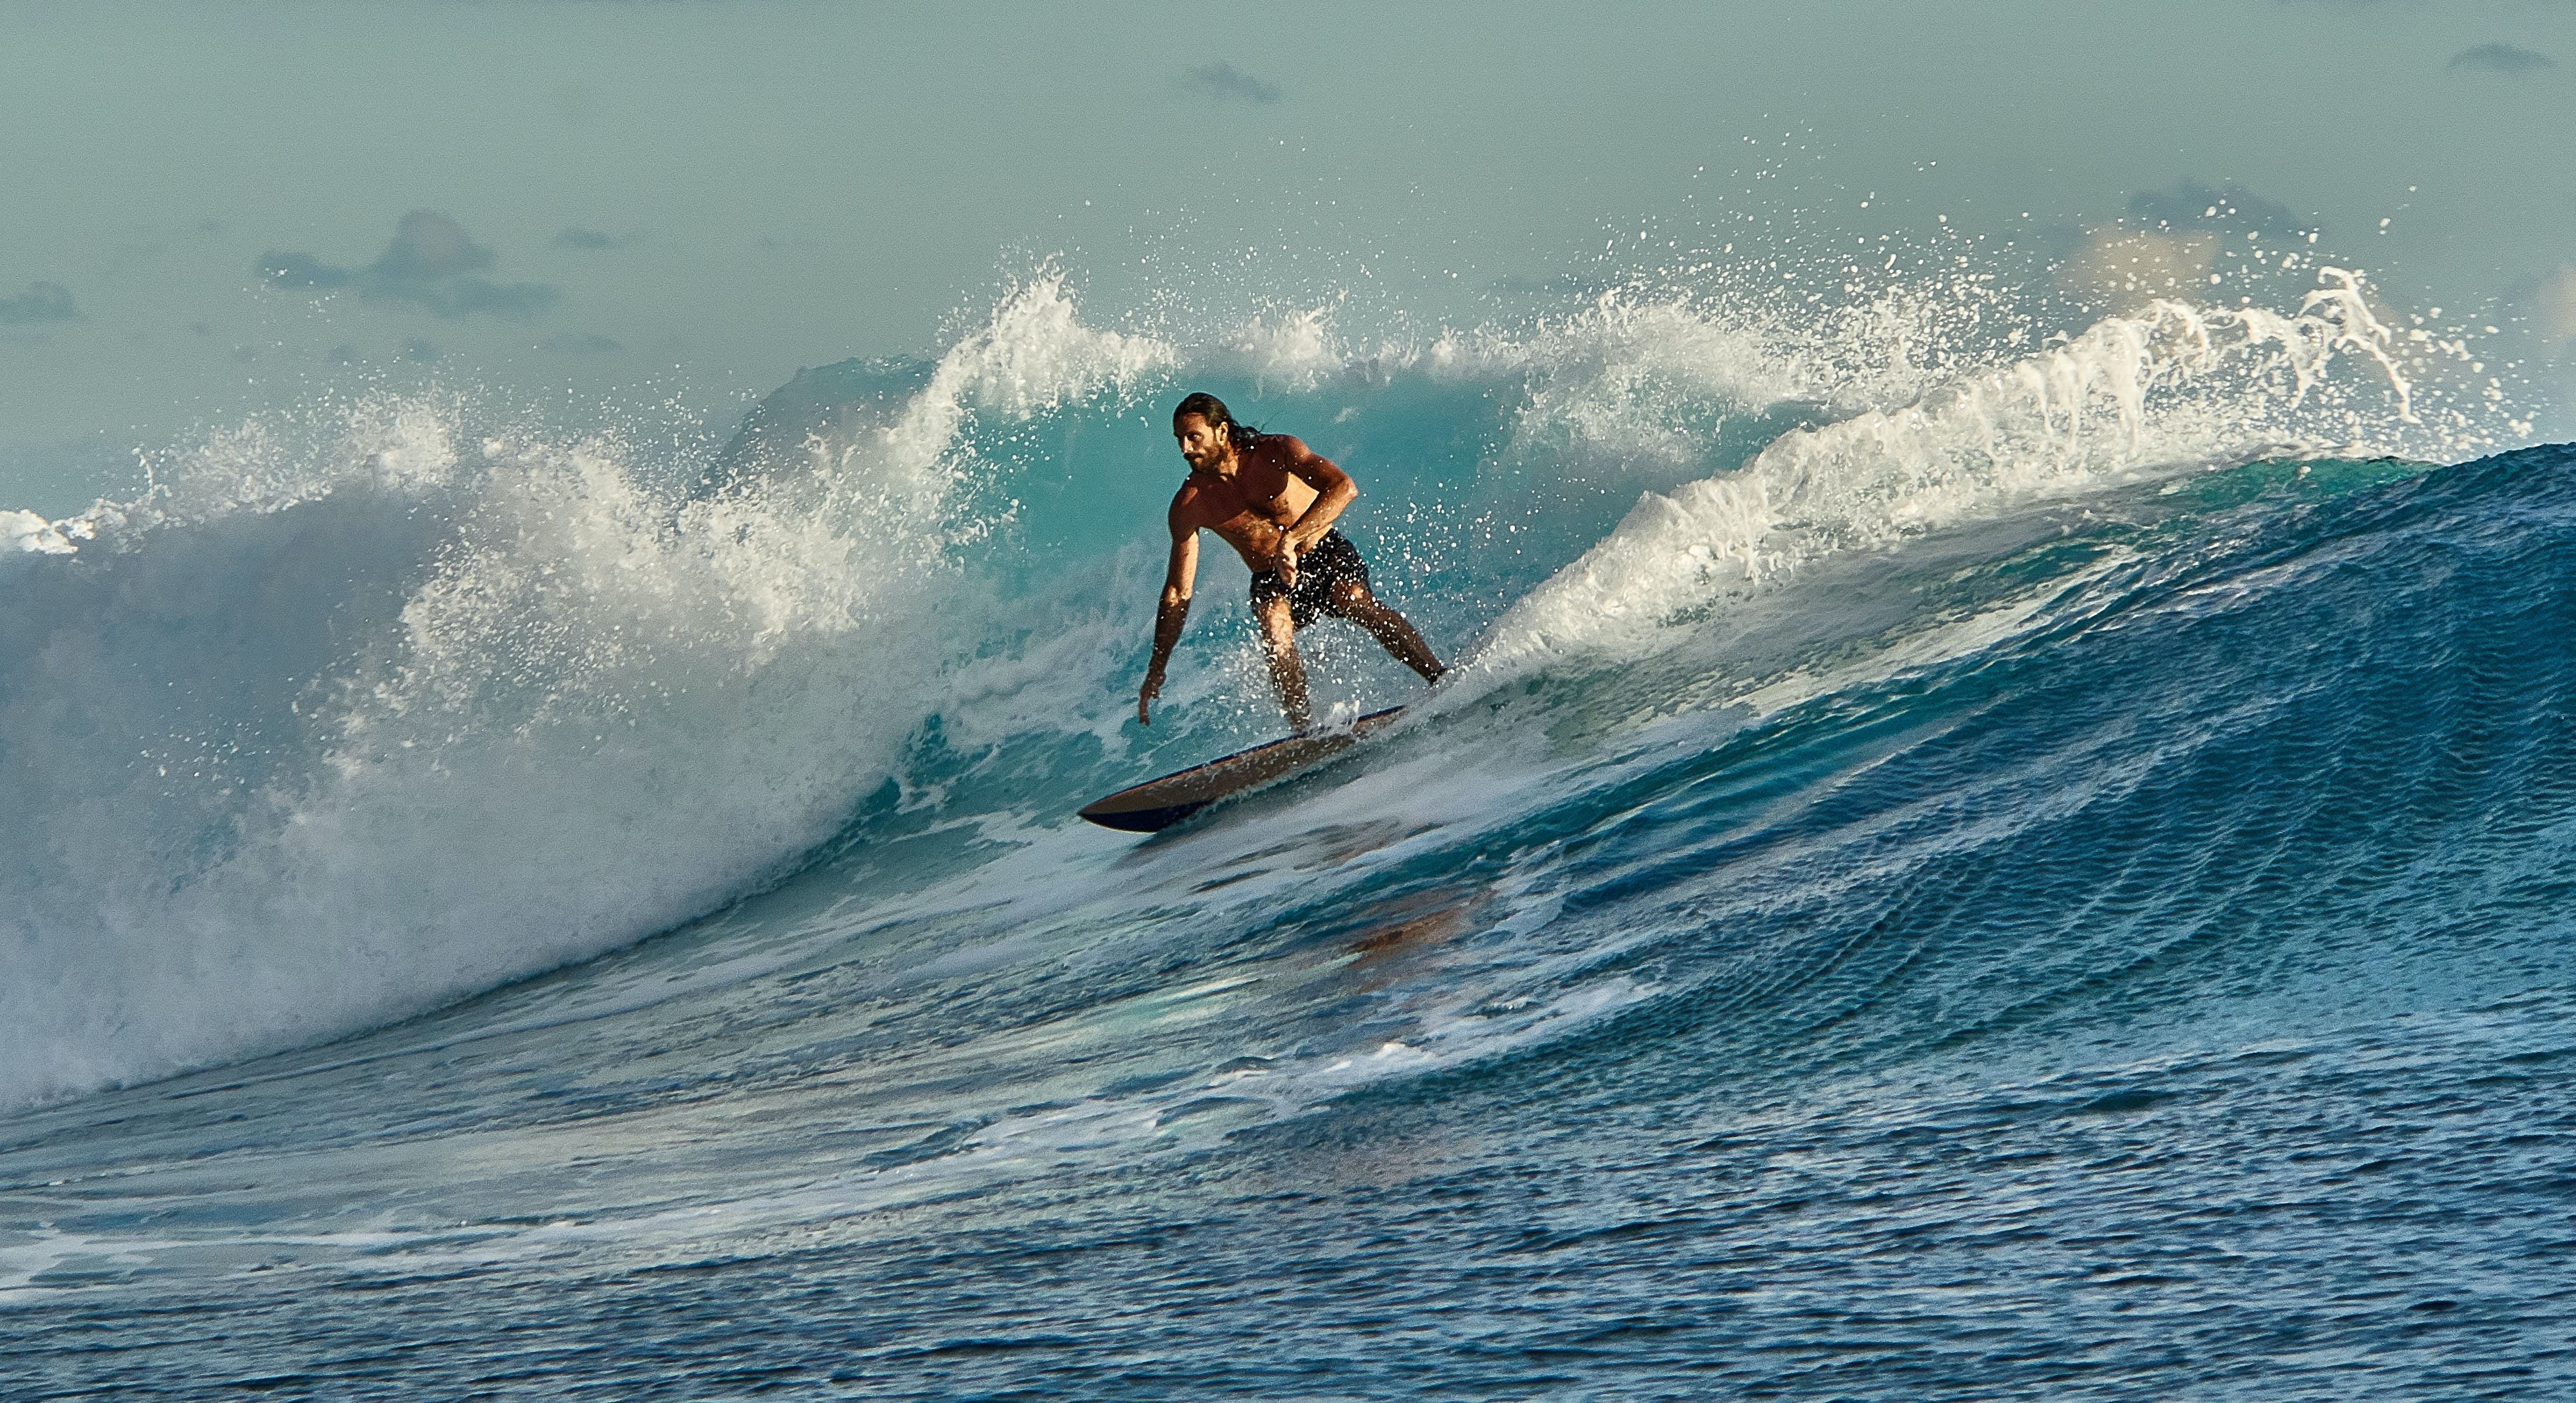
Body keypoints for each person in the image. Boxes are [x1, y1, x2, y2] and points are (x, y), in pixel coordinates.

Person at [1136, 392, 1445, 732]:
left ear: (1221, 431)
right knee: (1274, 628)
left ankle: (1440, 677)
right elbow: (1178, 592)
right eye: (1180, 439)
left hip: (1323, 551)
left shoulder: (1276, 452)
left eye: (1194, 437)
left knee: (1353, 599)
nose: (1185, 449)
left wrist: (1292, 539)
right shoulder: (1190, 503)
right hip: (1272, 577)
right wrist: (1157, 667)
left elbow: (1343, 487)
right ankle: (1303, 734)